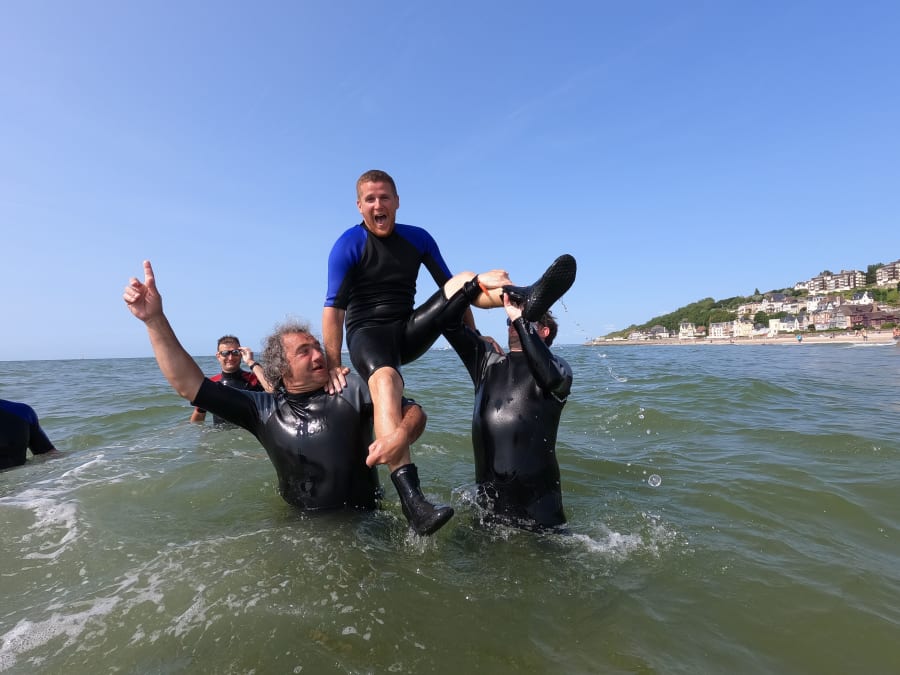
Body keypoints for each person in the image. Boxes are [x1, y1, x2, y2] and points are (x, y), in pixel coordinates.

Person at [124, 260, 454, 535]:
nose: (319, 355)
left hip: (368, 522)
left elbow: (415, 412)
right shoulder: (263, 410)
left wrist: (401, 435)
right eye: (304, 352)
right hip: (301, 529)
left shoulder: (352, 388)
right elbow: (189, 385)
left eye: (317, 346)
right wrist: (154, 320)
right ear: (283, 371)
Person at [322, 169, 576, 525]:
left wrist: (474, 335)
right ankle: (413, 501)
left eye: (385, 198)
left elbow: (455, 293)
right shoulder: (348, 245)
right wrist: (333, 363)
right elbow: (333, 310)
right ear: (359, 206)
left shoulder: (418, 239)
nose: (378, 205)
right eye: (370, 199)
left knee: (462, 279)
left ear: (397, 202)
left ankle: (519, 295)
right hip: (369, 336)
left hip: (408, 329)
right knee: (385, 383)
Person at [444, 294, 573, 531]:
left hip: (539, 506)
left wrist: (519, 319)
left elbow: (551, 377)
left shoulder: (559, 367)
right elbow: (447, 320)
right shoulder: (486, 363)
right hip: (489, 505)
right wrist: (473, 289)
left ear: (544, 332)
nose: (514, 324)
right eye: (512, 321)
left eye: (526, 320)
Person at [191, 335, 273, 425]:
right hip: (221, 435)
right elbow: (198, 416)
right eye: (225, 353)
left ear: (241, 354)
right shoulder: (210, 385)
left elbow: (272, 390)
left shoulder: (253, 380)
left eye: (235, 352)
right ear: (218, 356)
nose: (230, 358)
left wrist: (251, 362)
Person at [1, 399, 59, 470]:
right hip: (26, 479)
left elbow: (49, 454)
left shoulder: (22, 412)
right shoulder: (22, 412)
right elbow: (49, 455)